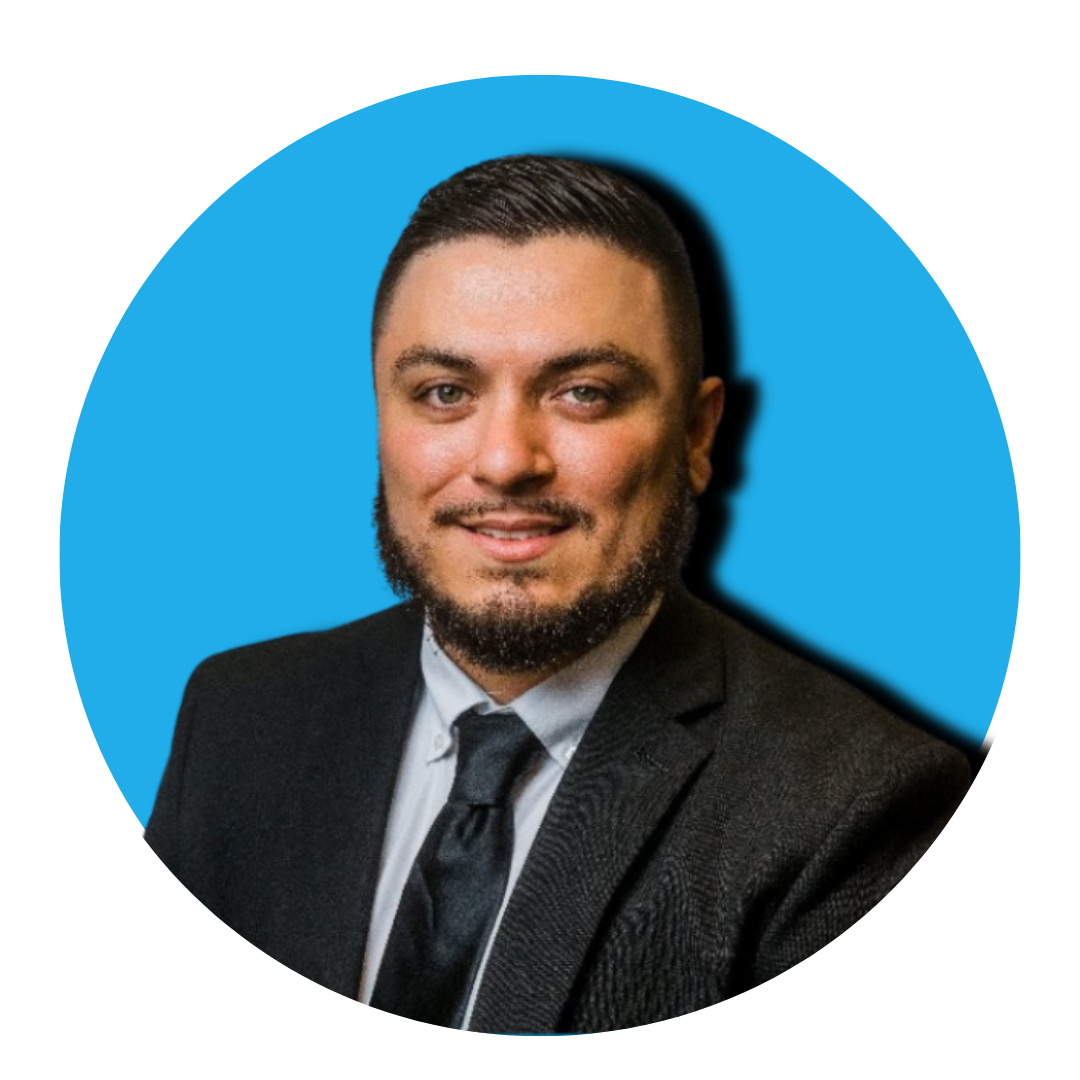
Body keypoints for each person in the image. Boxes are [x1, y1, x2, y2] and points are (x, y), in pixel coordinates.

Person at [144, 154, 971, 1033]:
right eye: (444, 392)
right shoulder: (236, 717)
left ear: (697, 436)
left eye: (584, 394)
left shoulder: (855, 809)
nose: (505, 461)